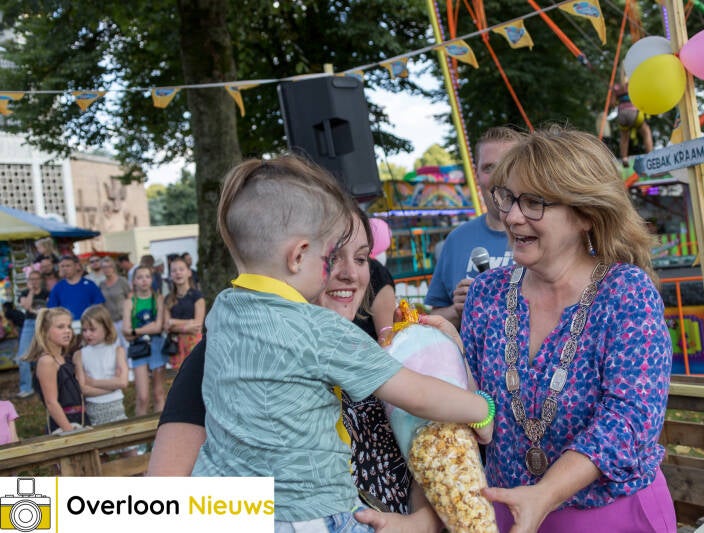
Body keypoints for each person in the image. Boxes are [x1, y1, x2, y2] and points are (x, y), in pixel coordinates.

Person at [188, 156, 492, 529]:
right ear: (299, 255)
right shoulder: (320, 329)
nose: (343, 271)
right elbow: (413, 391)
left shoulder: (223, 311)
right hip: (311, 510)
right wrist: (481, 408)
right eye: (330, 256)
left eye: (362, 258)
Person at [151, 202, 443, 530]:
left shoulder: (386, 343)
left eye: (361, 258)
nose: (350, 273)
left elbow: (432, 450)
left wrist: (423, 522)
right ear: (293, 258)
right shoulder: (231, 351)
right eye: (332, 257)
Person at [460, 125, 675, 532]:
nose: (511, 215)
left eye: (534, 202)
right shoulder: (485, 294)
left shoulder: (625, 292)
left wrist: (545, 493)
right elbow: (467, 406)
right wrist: (434, 353)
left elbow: (629, 419)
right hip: (506, 509)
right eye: (507, 198)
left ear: (585, 214)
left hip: (610, 515)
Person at [425, 126, 525, 329]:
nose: (498, 177)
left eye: (508, 165)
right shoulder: (457, 239)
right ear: (477, 175)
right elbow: (433, 318)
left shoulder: (539, 236)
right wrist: (457, 309)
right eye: (489, 168)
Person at [22, 307, 85, 434]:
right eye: (60, 327)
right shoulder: (47, 361)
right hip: (64, 425)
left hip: (81, 419)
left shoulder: (65, 358)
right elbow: (51, 402)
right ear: (45, 331)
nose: (67, 331)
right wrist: (70, 432)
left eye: (69, 326)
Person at [73, 305, 129, 426]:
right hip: (94, 408)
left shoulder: (117, 350)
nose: (88, 334)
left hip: (116, 406)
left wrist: (93, 382)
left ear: (106, 328)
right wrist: (113, 386)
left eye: (92, 329)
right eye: (84, 330)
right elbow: (83, 389)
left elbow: (123, 382)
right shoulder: (80, 355)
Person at [122, 265, 166, 416]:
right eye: (140, 277)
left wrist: (136, 331)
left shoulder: (158, 299)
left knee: (159, 393)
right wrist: (149, 328)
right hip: (139, 348)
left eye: (147, 277)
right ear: (134, 281)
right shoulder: (130, 302)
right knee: (143, 397)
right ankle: (140, 437)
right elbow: (126, 331)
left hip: (157, 347)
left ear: (152, 279)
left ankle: (160, 433)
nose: (144, 281)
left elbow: (159, 327)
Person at [163, 256, 204, 370]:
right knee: (179, 381)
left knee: (196, 377)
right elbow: (166, 326)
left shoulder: (197, 296)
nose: (178, 273)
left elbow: (197, 326)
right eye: (174, 271)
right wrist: (188, 324)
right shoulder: (168, 299)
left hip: (194, 344)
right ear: (170, 275)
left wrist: (174, 322)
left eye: (181, 269)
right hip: (175, 346)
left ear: (189, 272)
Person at [14, 270, 49, 399]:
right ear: (28, 281)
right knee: (23, 356)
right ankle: (26, 388)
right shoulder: (24, 293)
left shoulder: (47, 293)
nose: (34, 281)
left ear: (40, 279)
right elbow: (27, 307)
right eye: (31, 279)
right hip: (29, 324)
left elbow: (49, 309)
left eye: (36, 278)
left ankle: (47, 385)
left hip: (44, 324)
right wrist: (30, 292)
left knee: (46, 355)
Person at [47, 254, 105, 330]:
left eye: (68, 266)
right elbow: (52, 309)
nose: (65, 269)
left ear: (76, 266)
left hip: (88, 325)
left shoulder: (89, 285)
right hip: (67, 327)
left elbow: (99, 306)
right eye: (62, 266)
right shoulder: (58, 287)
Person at [613, 72, 653, 167]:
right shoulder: (633, 84)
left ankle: (624, 158)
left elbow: (613, 103)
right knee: (646, 132)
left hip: (622, 114)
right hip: (633, 113)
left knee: (624, 137)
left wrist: (617, 96)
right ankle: (650, 156)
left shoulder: (617, 87)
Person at [99, 256, 131, 348]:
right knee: (114, 346)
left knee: (127, 345)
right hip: (110, 321)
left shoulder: (122, 281)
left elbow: (130, 298)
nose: (107, 269)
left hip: (123, 319)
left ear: (113, 267)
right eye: (104, 267)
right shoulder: (102, 284)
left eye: (109, 266)